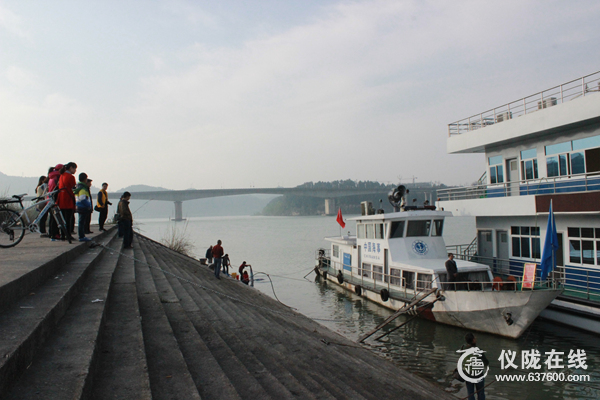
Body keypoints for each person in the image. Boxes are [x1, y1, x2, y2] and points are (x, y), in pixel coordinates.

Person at [463, 333, 488, 400]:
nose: (476, 338)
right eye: (475, 337)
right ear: (473, 340)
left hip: (467, 374)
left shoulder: (463, 349)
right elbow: (485, 362)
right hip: (478, 374)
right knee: (480, 393)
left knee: (470, 393)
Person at [56, 162, 77, 241]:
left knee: (62, 219)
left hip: (61, 199)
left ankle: (63, 234)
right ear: (71, 168)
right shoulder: (71, 177)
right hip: (68, 200)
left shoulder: (61, 175)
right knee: (68, 220)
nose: (75, 171)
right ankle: (68, 235)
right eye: (74, 168)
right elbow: (73, 188)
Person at [74, 173, 93, 242]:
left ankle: (82, 235)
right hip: (83, 207)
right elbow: (82, 198)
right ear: (85, 179)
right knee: (82, 222)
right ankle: (81, 236)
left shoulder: (78, 187)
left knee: (81, 222)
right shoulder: (83, 188)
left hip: (79, 206)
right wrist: (88, 205)